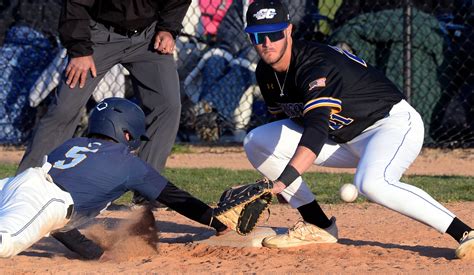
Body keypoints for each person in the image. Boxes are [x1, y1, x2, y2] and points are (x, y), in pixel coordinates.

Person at [242, 0, 473, 259]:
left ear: (288, 30)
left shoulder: (314, 65)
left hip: (389, 126)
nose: (266, 43)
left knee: (371, 183)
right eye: (258, 36)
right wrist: (285, 188)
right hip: (342, 137)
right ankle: (319, 225)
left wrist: (281, 183)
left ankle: (465, 232)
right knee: (256, 141)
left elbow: (316, 131)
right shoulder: (266, 72)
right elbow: (284, 122)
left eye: (274, 34)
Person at [0, 98, 228, 259]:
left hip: (13, 184)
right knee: (5, 242)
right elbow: (176, 198)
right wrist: (219, 222)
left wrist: (93, 253)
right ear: (127, 134)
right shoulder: (128, 163)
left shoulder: (72, 144)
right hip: (46, 198)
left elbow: (57, 223)